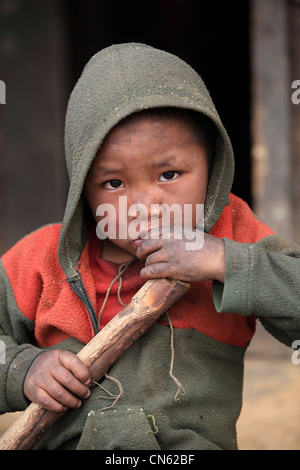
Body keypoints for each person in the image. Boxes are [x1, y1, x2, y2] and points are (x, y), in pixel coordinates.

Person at [0, 43, 299, 450]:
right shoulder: (39, 261)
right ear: (82, 191)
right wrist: (23, 369)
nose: (144, 206)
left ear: (210, 164)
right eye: (114, 184)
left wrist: (224, 261)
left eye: (169, 173)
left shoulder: (233, 235)